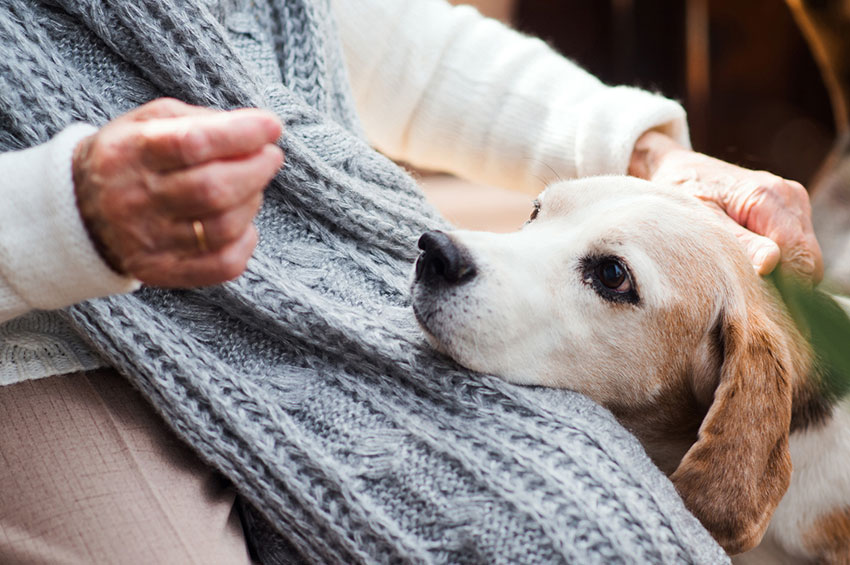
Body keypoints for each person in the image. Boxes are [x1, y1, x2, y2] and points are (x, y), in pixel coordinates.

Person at [0, 0, 822, 562]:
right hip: (42, 338)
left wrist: (648, 156)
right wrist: (55, 217)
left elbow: (391, 45)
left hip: (333, 275)